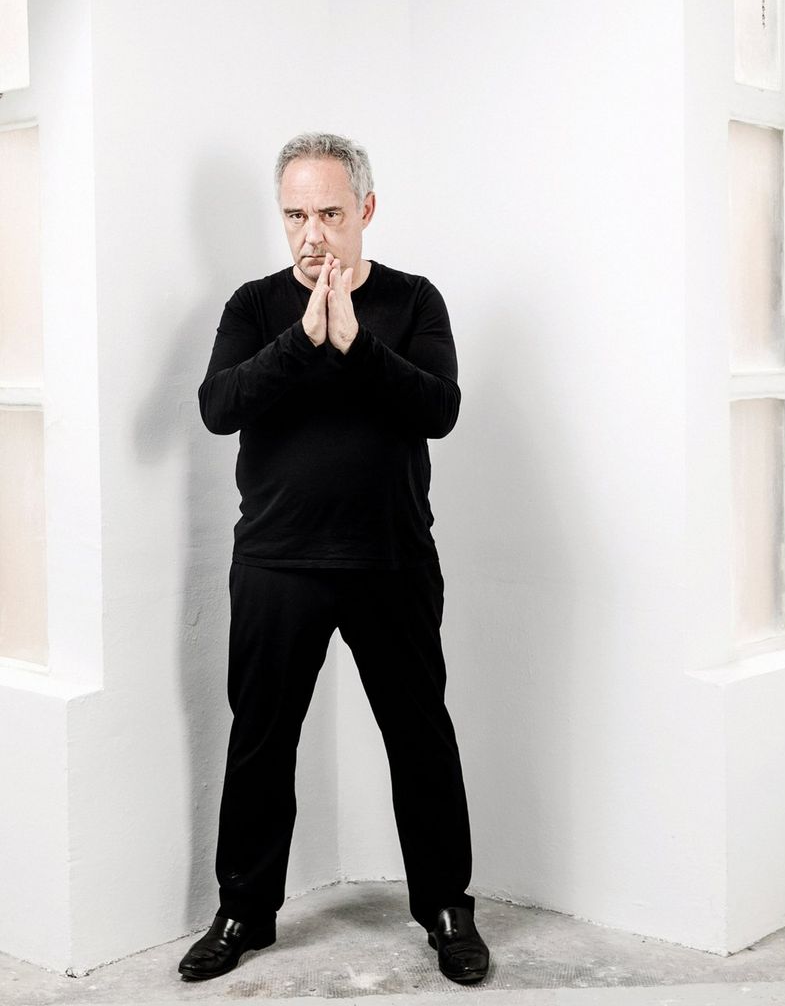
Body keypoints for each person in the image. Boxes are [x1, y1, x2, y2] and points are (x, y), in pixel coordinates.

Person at [178, 132, 489, 985]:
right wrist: (303, 341)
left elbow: (439, 409)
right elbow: (218, 406)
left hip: (390, 559)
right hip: (278, 562)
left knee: (420, 737)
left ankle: (446, 906)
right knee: (262, 742)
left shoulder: (415, 301)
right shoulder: (253, 306)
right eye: (294, 215)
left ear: (365, 211)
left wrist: (356, 346)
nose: (311, 233)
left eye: (328, 213)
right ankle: (244, 909)